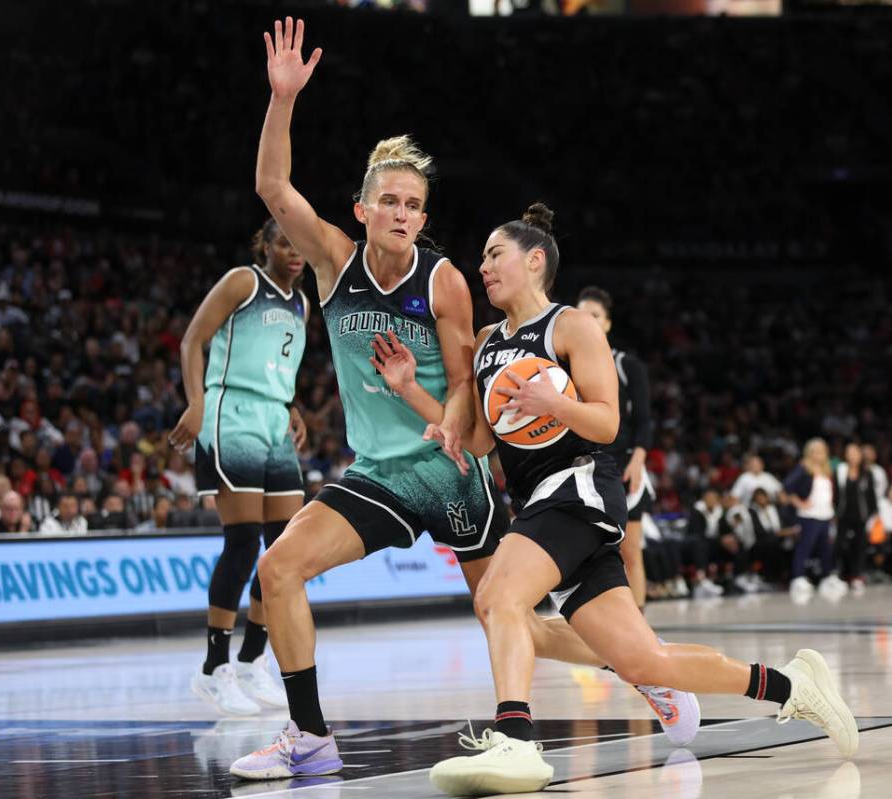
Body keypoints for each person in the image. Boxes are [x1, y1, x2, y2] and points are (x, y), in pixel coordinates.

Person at [230, 18, 691, 781]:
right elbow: (272, 187)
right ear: (362, 208)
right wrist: (282, 101)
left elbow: (466, 398)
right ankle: (309, 734)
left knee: (508, 618)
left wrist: (430, 412)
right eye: (392, 200)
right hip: (379, 471)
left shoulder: (441, 280)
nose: (405, 212)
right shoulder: (333, 262)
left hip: (451, 471)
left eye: (415, 203)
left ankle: (642, 670)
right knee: (277, 570)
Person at [427, 204, 858, 795]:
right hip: (536, 501)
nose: (483, 267)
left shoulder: (570, 325)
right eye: (480, 259)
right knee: (644, 662)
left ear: (534, 261)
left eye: (493, 255)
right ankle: (791, 686)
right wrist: (415, 399)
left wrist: (554, 404)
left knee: (498, 598)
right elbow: (479, 439)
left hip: (578, 487)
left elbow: (606, 424)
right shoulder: (484, 342)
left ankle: (517, 740)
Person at [168, 216, 308, 716]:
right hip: (232, 414)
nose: (294, 251)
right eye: (283, 242)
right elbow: (191, 340)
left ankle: (252, 661)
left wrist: (291, 406)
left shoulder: (302, 302)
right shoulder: (242, 281)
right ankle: (212, 668)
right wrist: (196, 402)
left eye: (299, 245)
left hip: (274, 419)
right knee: (244, 541)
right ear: (264, 244)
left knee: (287, 549)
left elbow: (277, 363)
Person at [576, 286, 654, 609]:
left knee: (630, 551)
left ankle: (643, 633)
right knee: (585, 554)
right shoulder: (564, 364)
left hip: (622, 465)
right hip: (582, 468)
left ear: (607, 324)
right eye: (581, 315)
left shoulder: (626, 364)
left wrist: (637, 460)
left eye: (594, 316)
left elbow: (645, 419)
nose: (587, 321)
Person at [784, 438, 847, 598]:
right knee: (805, 547)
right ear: (809, 454)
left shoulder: (827, 470)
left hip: (825, 515)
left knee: (826, 548)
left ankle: (828, 576)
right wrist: (799, 503)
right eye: (815, 452)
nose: (819, 455)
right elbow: (787, 487)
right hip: (809, 516)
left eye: (821, 451)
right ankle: (798, 577)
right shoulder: (804, 468)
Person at [833, 443, 878, 590]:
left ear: (860, 456)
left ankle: (857, 575)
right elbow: (835, 494)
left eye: (855, 453)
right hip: (843, 515)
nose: (852, 456)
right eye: (849, 453)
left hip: (861, 516)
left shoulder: (867, 473)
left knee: (859, 546)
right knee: (840, 545)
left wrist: (873, 515)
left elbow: (871, 496)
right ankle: (838, 574)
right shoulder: (840, 470)